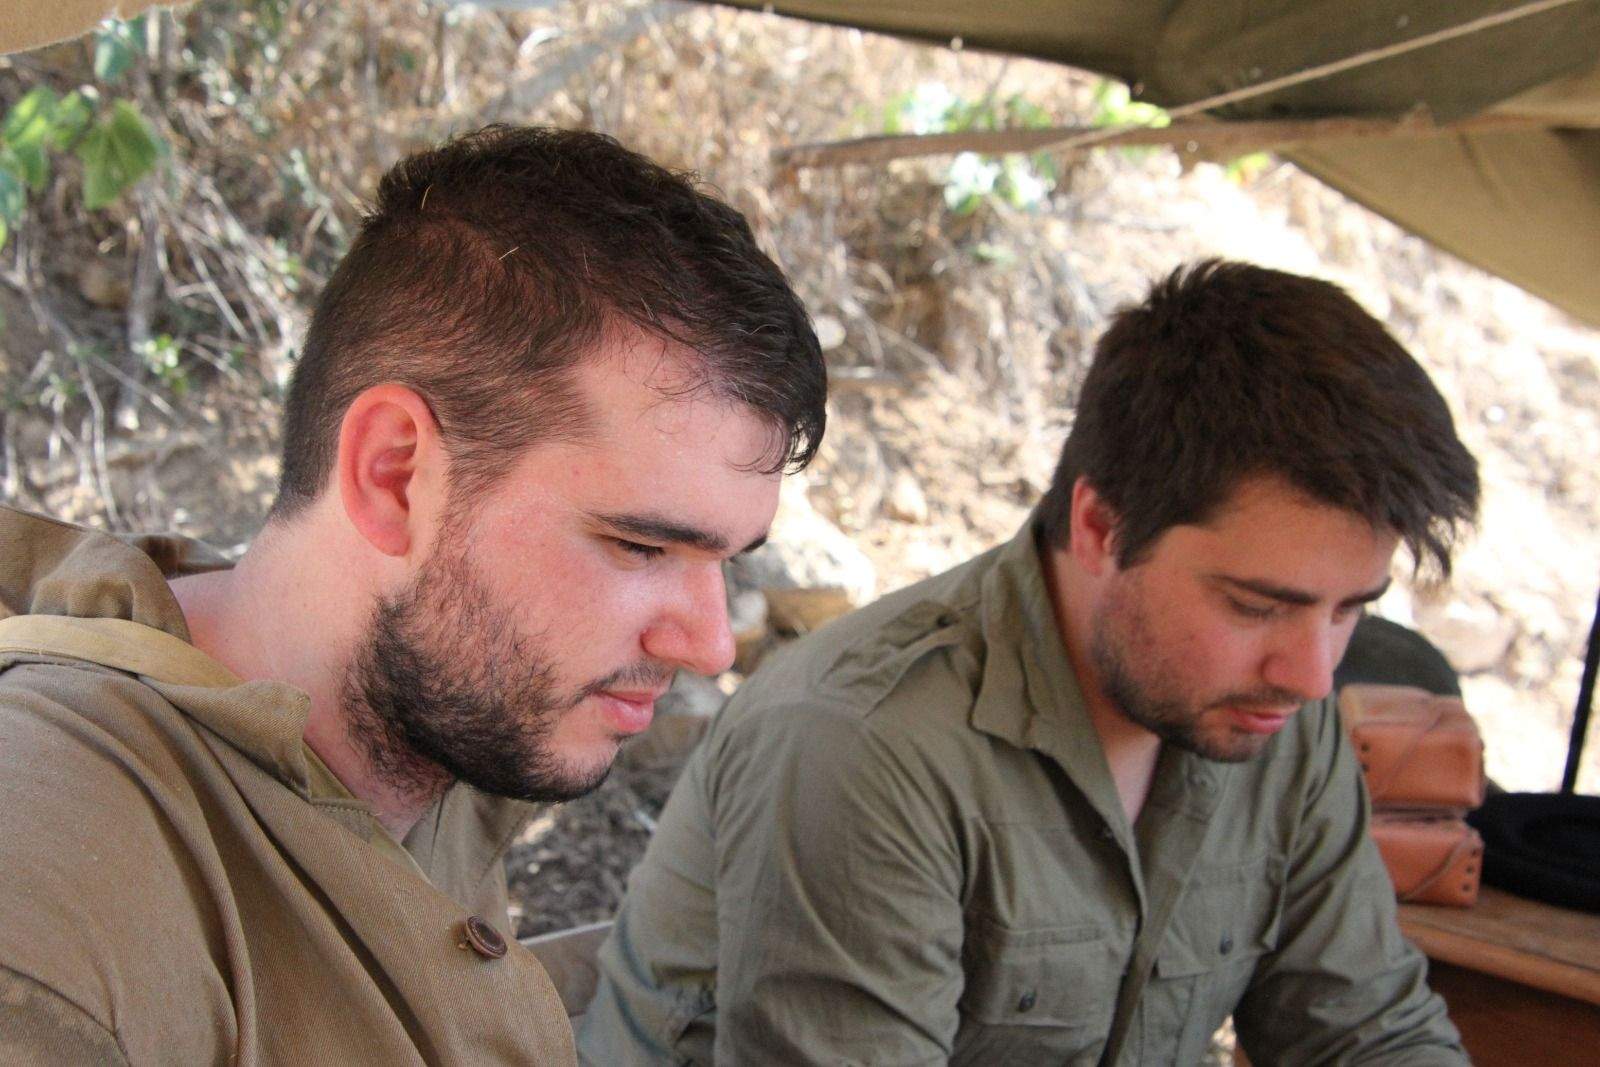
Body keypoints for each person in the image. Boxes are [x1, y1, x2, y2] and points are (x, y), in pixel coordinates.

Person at [0, 125, 826, 1065]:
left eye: (728, 559)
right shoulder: (49, 906)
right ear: (394, 475)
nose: (711, 645)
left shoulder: (438, 718)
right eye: (640, 544)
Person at [580, 260, 1479, 1065]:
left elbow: (1367, 1031)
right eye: (1256, 605)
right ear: (1099, 527)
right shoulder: (863, 743)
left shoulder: (1280, 712)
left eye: (1351, 609)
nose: (1314, 673)